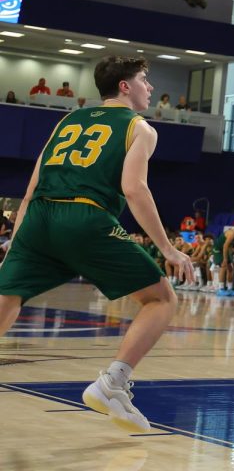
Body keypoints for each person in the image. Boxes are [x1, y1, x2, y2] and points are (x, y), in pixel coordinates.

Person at [0, 56, 194, 432]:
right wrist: (168, 248)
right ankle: (112, 384)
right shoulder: (140, 128)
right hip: (85, 218)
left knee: (7, 294)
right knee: (162, 299)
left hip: (38, 217)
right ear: (125, 86)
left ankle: (112, 388)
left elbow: (30, 190)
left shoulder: (67, 120)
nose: (149, 87)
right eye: (144, 79)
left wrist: (15, 245)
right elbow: (134, 189)